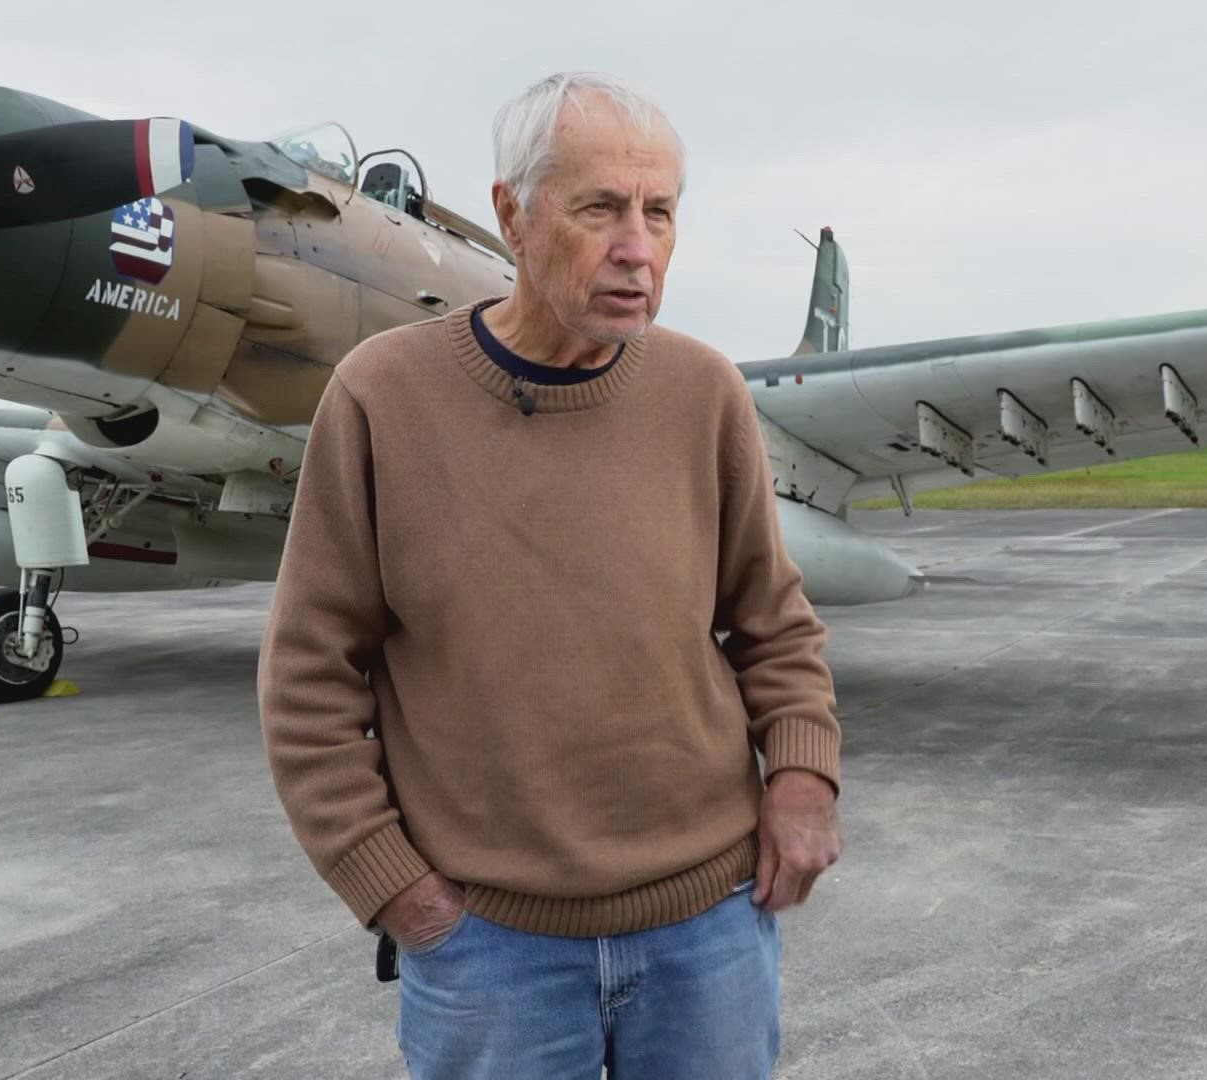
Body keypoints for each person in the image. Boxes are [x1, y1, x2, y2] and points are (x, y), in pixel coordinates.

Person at [257, 71, 843, 1079]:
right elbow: (308, 675)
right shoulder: (381, 400)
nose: (638, 246)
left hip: (707, 928)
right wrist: (392, 884)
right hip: (489, 949)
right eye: (601, 210)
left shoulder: (702, 393)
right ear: (512, 215)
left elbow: (775, 625)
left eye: (660, 213)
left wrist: (801, 778)